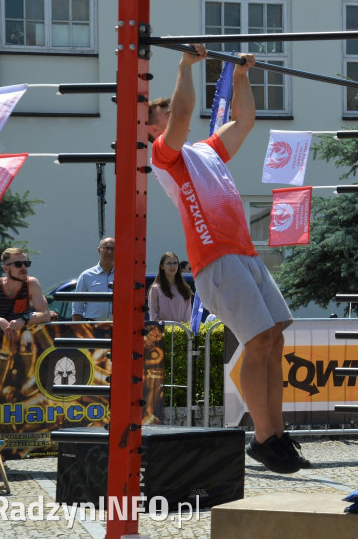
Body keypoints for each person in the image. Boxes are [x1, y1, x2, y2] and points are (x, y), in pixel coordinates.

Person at [148, 45, 306, 474]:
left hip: (244, 253)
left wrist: (240, 77)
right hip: (215, 258)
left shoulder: (207, 151)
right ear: (151, 130)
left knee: (275, 339)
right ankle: (264, 437)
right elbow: (180, 117)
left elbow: (246, 121)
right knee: (258, 342)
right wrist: (185, 66)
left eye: (164, 110)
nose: (169, 115)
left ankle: (273, 434)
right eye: (158, 115)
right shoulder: (164, 156)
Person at [0, 249, 55, 333]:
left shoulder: (31, 284)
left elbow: (45, 314)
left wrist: (24, 319)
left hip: (21, 341)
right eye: (18, 264)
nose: (23, 267)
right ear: (6, 268)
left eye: (26, 264)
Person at [71, 237, 114, 321]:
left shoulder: (123, 276)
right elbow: (77, 308)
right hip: (93, 327)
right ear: (99, 250)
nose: (110, 252)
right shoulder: (86, 276)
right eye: (106, 248)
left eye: (113, 249)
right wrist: (77, 330)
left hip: (118, 327)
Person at [148, 252, 194, 323]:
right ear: (162, 266)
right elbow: (153, 316)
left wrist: (182, 330)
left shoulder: (186, 288)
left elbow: (188, 316)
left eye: (175, 263)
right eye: (169, 263)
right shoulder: (155, 289)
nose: (172, 266)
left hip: (181, 332)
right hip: (161, 332)